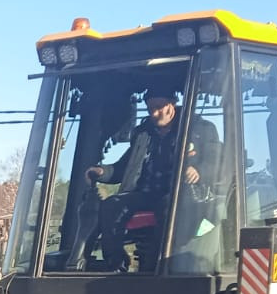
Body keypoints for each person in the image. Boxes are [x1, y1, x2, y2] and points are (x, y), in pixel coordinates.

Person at [84, 86, 220, 270]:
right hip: (146, 194)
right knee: (111, 205)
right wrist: (102, 172)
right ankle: (115, 263)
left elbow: (217, 160)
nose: (154, 113)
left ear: (173, 103)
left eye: (159, 107)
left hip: (182, 194)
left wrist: (199, 171)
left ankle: (158, 265)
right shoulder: (143, 133)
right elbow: (124, 167)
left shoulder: (200, 129)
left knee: (168, 208)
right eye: (150, 109)